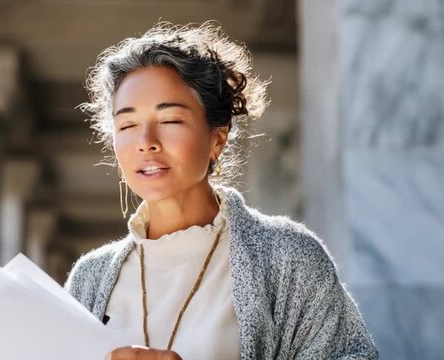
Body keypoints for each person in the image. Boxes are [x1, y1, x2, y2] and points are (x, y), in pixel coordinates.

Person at [64, 21, 379, 360]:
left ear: (217, 137)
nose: (146, 144)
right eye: (127, 125)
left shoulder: (288, 258)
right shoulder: (89, 277)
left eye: (169, 122)